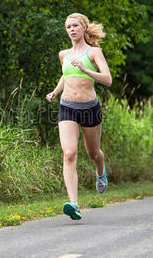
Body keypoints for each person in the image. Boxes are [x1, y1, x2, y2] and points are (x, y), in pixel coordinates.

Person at [46, 13, 112, 220]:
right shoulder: (63, 54)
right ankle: (74, 204)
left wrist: (86, 69)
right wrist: (56, 92)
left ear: (84, 27)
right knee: (69, 153)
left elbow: (108, 79)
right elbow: (66, 75)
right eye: (68, 27)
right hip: (67, 107)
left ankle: (100, 172)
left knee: (94, 153)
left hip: (90, 108)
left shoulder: (94, 52)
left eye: (75, 26)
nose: (71, 30)